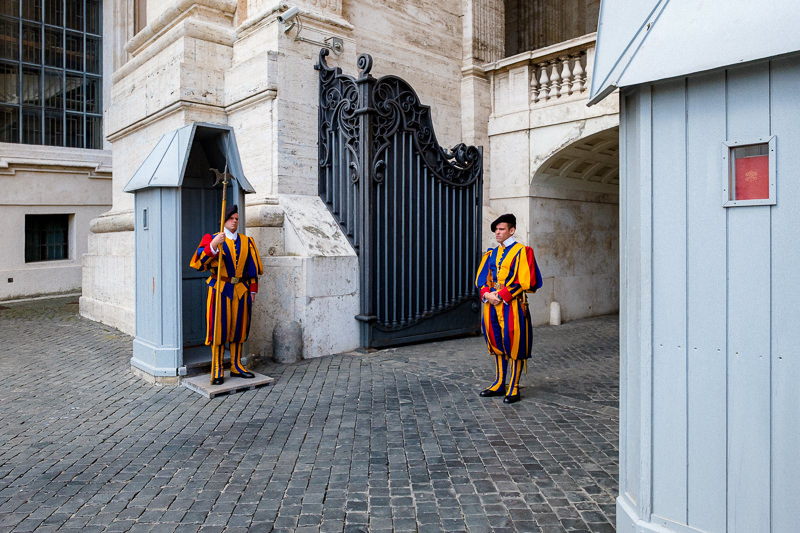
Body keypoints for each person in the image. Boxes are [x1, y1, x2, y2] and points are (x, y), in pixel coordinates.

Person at [190, 204, 264, 385]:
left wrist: (252, 290)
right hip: (220, 289)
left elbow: (252, 270)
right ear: (224, 220)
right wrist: (214, 246)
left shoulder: (247, 241)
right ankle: (217, 369)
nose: (235, 221)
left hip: (241, 291)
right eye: (231, 218)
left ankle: (236, 365)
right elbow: (200, 264)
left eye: (237, 219)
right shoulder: (212, 239)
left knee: (238, 329)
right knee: (218, 330)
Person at [474, 213, 541, 404]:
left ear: (512, 230)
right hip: (492, 306)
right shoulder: (490, 253)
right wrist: (487, 295)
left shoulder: (523, 252)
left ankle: (513, 386)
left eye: (501, 229)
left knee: (515, 343)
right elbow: (482, 279)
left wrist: (501, 296)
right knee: (496, 342)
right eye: (496, 229)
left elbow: (525, 280)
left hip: (512, 305)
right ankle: (499, 383)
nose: (497, 232)